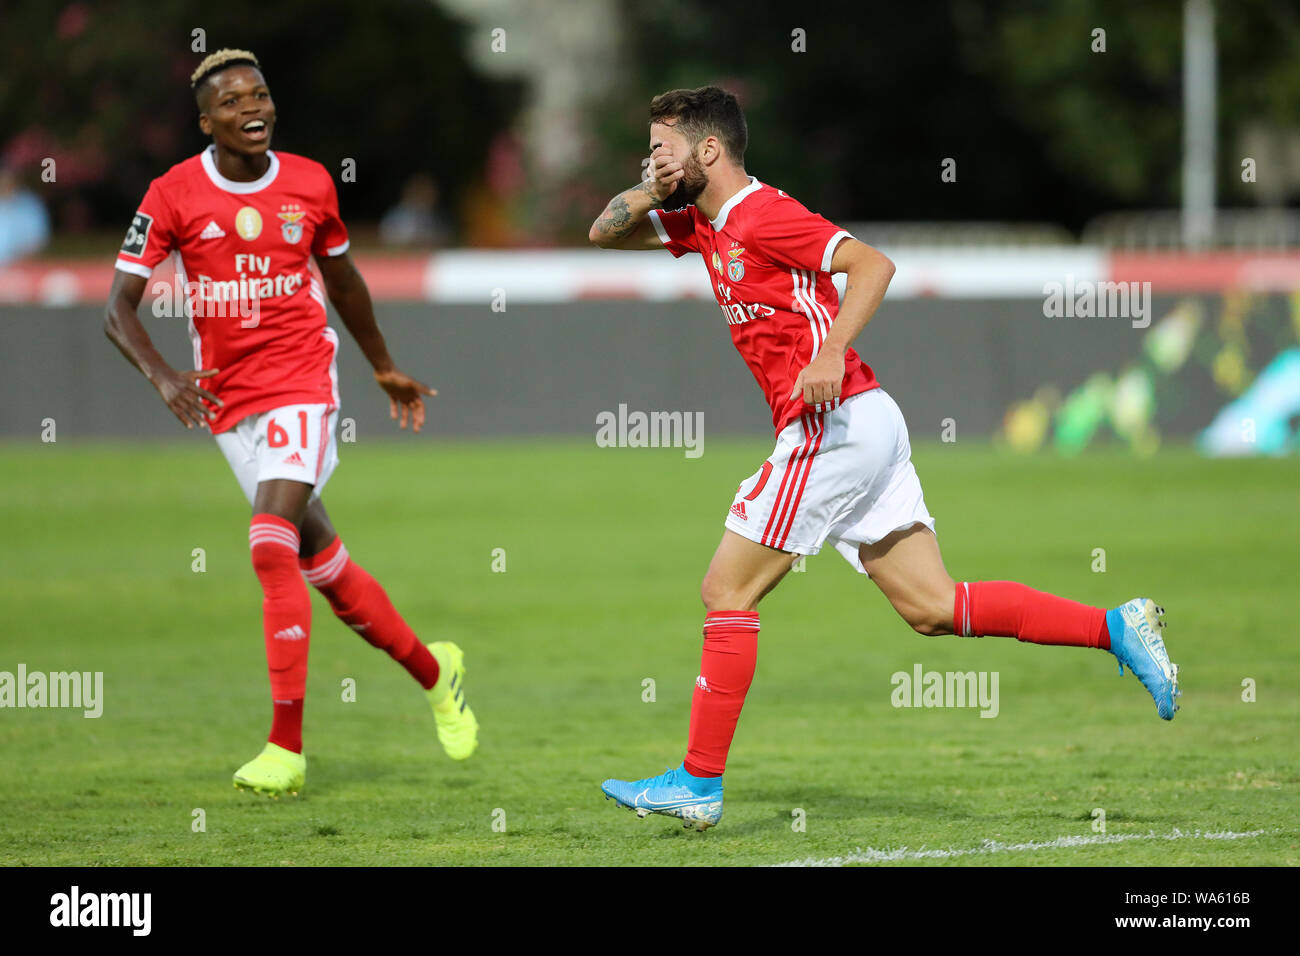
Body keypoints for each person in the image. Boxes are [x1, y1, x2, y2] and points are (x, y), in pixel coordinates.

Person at [589, 86, 1179, 831]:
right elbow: (604, 233)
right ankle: (1116, 626)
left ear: (710, 150)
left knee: (725, 591)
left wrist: (830, 349)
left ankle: (698, 784)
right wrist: (651, 186)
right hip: (864, 424)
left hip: (831, 424)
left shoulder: (763, 213)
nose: (655, 158)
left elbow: (873, 264)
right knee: (934, 608)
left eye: (665, 147)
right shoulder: (702, 227)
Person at [103, 49, 478, 797]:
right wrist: (164, 376)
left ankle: (286, 748)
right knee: (324, 567)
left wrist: (381, 364)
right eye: (234, 99)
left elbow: (341, 278)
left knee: (270, 545)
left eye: (262, 93)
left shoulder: (308, 183)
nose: (254, 107)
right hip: (227, 399)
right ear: (206, 121)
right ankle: (438, 672)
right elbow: (117, 307)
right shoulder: (174, 193)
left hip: (303, 379)